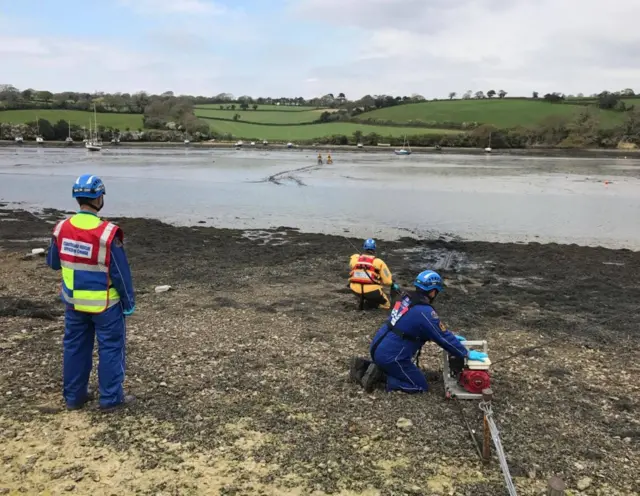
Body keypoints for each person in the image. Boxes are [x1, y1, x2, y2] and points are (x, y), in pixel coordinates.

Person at [46, 174, 136, 411]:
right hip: (106, 304)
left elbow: (54, 262)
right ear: (99, 198)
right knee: (110, 349)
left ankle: (74, 397)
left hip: (74, 302)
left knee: (75, 347)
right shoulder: (107, 233)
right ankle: (110, 399)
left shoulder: (61, 228)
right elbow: (120, 273)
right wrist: (129, 303)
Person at [349, 269, 488, 393]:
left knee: (406, 367)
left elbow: (420, 328)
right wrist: (466, 353)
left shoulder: (405, 298)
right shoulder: (425, 312)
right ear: (433, 291)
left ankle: (366, 366)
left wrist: (451, 337)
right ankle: (381, 377)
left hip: (377, 346)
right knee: (419, 385)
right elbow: (442, 336)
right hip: (391, 357)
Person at [348, 238, 399, 310]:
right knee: (387, 305)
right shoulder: (379, 262)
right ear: (374, 249)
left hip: (355, 289)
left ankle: (364, 299)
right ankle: (370, 305)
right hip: (372, 292)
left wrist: (360, 257)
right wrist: (392, 284)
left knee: (362, 290)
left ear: (364, 247)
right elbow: (387, 282)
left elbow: (353, 259)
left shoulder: (355, 260)